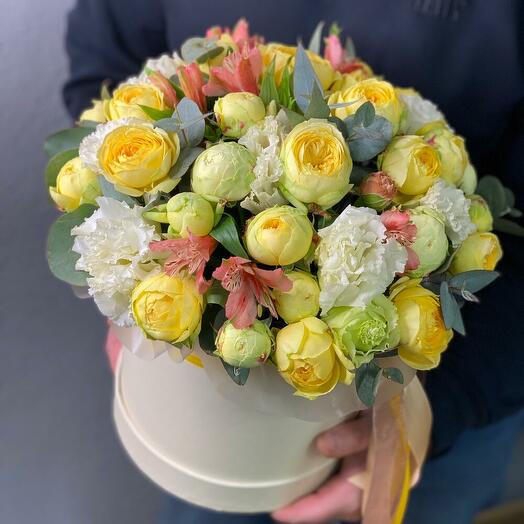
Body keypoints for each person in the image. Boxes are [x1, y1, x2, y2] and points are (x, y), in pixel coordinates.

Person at [63, 1, 524, 522]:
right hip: (203, 413)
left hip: (461, 393)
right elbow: (106, 61)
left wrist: (440, 409)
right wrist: (130, 278)